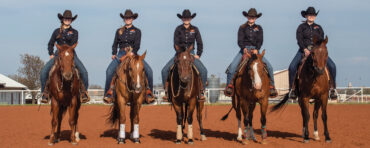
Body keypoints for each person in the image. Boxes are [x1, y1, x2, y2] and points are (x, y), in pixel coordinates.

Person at [103, 9, 154, 104]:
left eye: (129, 18)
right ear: (124, 19)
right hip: (121, 53)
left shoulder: (137, 31)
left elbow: (137, 45)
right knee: (109, 71)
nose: (128, 19)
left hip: (133, 54)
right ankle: (109, 93)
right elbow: (115, 43)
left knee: (149, 71)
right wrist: (114, 53)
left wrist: (132, 52)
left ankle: (148, 92)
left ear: (132, 19)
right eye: (126, 18)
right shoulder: (119, 31)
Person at [224, 8, 277, 97]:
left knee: (270, 67)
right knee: (232, 67)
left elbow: (260, 40)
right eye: (250, 16)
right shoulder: (242, 27)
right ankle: (229, 86)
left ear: (256, 18)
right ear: (247, 17)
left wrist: (257, 48)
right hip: (244, 50)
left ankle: (271, 86)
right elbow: (239, 40)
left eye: (253, 17)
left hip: (255, 50)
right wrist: (243, 48)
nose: (251, 18)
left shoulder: (259, 28)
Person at [40, 10, 89, 103]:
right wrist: (51, 53)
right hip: (58, 54)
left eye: (69, 19)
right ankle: (44, 93)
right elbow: (50, 43)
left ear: (71, 20)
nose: (67, 20)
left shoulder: (75, 32)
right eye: (66, 18)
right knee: (44, 72)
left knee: (84, 72)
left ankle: (83, 92)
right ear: (62, 19)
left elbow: (73, 44)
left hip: (71, 54)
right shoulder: (56, 31)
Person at [288, 7, 337, 99]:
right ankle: (292, 89)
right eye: (309, 15)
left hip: (317, 52)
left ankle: (332, 89)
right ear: (306, 16)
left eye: (313, 15)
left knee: (332, 66)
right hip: (303, 50)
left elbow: (321, 41)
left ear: (315, 16)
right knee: (292, 67)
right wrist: (305, 49)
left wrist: (318, 50)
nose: (311, 16)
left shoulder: (319, 28)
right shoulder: (301, 27)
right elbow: (299, 40)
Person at [161, 9, 208, 101]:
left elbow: (199, 43)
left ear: (190, 19)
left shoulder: (195, 29)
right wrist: (180, 52)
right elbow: (175, 43)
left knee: (204, 70)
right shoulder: (178, 29)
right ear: (182, 19)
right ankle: (166, 92)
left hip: (191, 54)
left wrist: (198, 54)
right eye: (184, 18)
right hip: (179, 53)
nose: (186, 19)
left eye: (188, 18)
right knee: (164, 70)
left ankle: (201, 91)